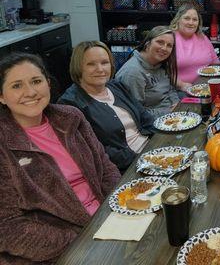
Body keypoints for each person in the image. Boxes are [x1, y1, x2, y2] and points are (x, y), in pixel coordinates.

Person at [0, 53, 120, 263]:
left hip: (108, 220)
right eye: (16, 86)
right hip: (59, 250)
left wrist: (120, 207)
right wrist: (79, 240)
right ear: (1, 96)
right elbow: (7, 226)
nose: (30, 92)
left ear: (47, 83)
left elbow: (106, 167)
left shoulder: (70, 117)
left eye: (36, 81)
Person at [59, 41, 155, 172]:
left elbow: (145, 117)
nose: (100, 69)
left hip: (150, 151)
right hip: (127, 167)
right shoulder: (69, 105)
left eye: (104, 63)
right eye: (91, 64)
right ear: (78, 67)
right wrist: (142, 158)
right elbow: (94, 151)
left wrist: (159, 143)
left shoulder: (116, 86)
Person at [115, 26, 181, 118]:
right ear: (147, 43)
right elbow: (136, 113)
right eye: (160, 42)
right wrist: (168, 112)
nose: (164, 48)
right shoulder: (133, 73)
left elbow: (170, 89)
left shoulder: (160, 63)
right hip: (151, 123)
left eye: (169, 45)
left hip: (171, 112)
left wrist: (176, 103)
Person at [170, 3, 219, 90]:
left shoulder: (202, 37)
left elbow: (215, 63)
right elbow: (163, 72)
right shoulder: (169, 38)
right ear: (178, 19)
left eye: (195, 19)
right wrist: (182, 85)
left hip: (206, 87)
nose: (191, 23)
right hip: (180, 90)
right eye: (187, 18)